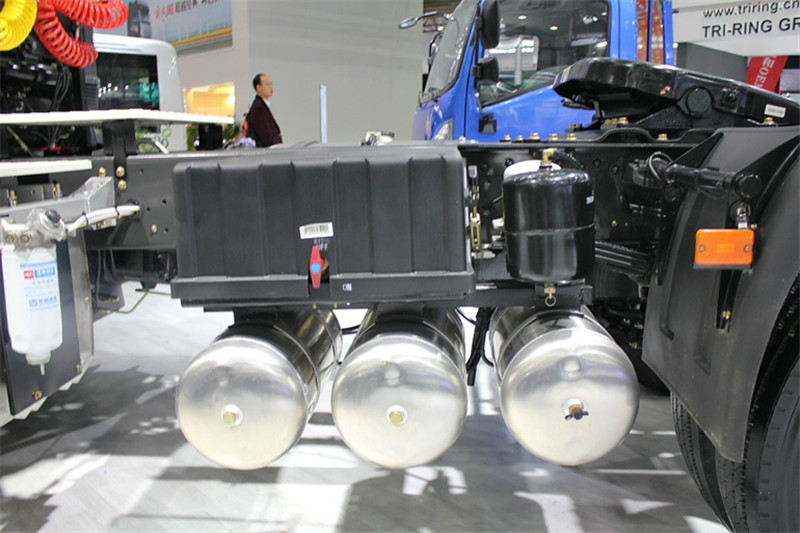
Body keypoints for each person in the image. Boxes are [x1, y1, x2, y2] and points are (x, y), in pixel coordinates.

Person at [245, 73, 282, 147]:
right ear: (258, 87)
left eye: (271, 84)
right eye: (267, 84)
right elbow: (267, 137)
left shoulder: (262, 106)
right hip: (267, 152)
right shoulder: (259, 108)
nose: (271, 87)